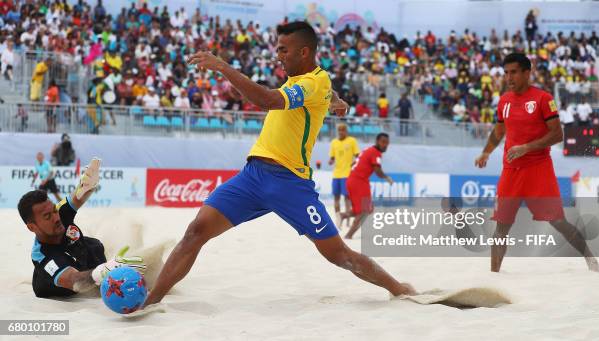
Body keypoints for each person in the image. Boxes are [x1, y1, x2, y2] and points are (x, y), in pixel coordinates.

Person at [143, 21, 416, 309]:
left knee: (339, 255)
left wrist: (221, 66)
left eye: (284, 50)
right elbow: (328, 94)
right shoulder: (304, 79)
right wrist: (337, 102)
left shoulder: (312, 82)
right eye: (277, 49)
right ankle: (151, 301)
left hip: (290, 183)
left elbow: (268, 100)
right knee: (196, 230)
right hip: (253, 176)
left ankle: (398, 288)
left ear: (304, 51)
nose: (278, 55)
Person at [474, 53, 599, 272]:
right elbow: (499, 130)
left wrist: (526, 147)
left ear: (526, 72)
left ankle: (591, 260)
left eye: (513, 72)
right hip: (511, 170)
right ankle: (494, 274)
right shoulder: (504, 101)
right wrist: (486, 152)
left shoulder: (543, 99)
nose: (509, 77)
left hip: (539, 168)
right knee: (501, 226)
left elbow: (557, 135)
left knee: (558, 222)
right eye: (506, 73)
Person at [18, 158, 146, 298]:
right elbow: (73, 280)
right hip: (64, 286)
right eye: (47, 217)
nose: (56, 218)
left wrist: (88, 185)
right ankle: (100, 277)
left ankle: (101, 280)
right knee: (88, 273)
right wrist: (103, 271)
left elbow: (77, 196)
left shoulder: (59, 213)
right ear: (31, 227)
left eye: (54, 210)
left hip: (77, 257)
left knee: (94, 245)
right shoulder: (45, 258)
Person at [343, 133, 394, 240]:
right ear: (377, 141)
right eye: (383, 142)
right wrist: (387, 178)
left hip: (355, 180)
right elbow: (378, 172)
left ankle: (343, 215)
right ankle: (349, 235)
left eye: (387, 143)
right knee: (365, 210)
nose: (385, 145)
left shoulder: (368, 149)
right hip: (358, 181)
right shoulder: (376, 153)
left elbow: (352, 164)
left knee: (366, 209)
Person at [328, 123, 360, 228]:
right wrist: (330, 161)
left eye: (343, 130)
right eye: (339, 130)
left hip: (347, 174)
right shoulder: (334, 142)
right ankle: (338, 219)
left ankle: (347, 221)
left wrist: (354, 162)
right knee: (336, 198)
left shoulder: (352, 141)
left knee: (347, 198)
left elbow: (358, 156)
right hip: (336, 174)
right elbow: (332, 158)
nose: (341, 132)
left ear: (346, 131)